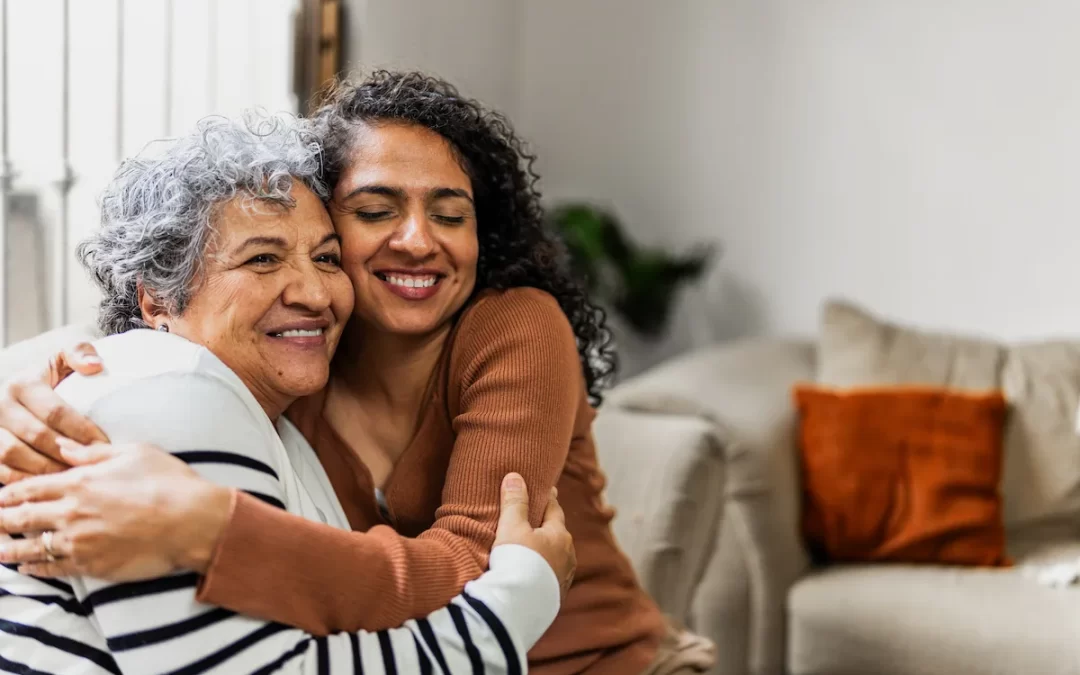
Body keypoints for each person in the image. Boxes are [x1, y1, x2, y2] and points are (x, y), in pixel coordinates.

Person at [0, 71, 715, 674]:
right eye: (375, 210)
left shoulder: (515, 326)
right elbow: (164, 327)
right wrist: (42, 384)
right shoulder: (300, 358)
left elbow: (479, 569)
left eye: (451, 214)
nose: (418, 241)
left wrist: (212, 529)